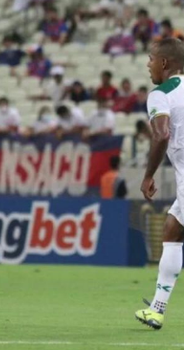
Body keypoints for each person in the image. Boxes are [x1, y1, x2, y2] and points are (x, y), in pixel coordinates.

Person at [136, 37, 184, 330]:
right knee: (172, 228)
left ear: (164, 63)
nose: (148, 64)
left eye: (151, 58)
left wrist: (148, 174)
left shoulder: (161, 94)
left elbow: (162, 134)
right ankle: (157, 309)